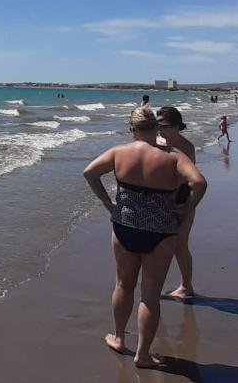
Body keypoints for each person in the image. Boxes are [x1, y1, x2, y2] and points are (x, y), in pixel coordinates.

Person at [83, 107, 207, 369]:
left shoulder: (119, 152)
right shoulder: (173, 156)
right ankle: (143, 355)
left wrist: (108, 204)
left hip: (124, 227)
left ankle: (119, 338)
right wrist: (186, 209)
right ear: (156, 128)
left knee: (122, 286)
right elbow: (199, 182)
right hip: (160, 232)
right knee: (149, 296)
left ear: (132, 129)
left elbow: (90, 173)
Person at [156, 106, 198, 301]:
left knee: (180, 245)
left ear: (177, 126)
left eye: (163, 126)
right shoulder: (156, 142)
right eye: (156, 125)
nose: (159, 129)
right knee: (157, 247)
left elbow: (186, 180)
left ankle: (186, 286)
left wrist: (185, 208)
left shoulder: (186, 147)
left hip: (180, 200)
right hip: (158, 200)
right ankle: (154, 286)